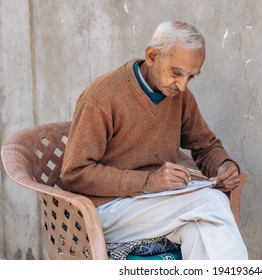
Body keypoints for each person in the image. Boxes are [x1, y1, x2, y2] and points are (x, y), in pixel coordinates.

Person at [61, 20, 248, 260]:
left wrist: (224, 165)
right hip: (104, 210)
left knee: (202, 230)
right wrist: (148, 181)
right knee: (211, 202)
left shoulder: (179, 97)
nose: (182, 86)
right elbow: (75, 173)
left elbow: (206, 145)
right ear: (151, 56)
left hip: (157, 205)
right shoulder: (102, 97)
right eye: (177, 72)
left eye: (191, 77)